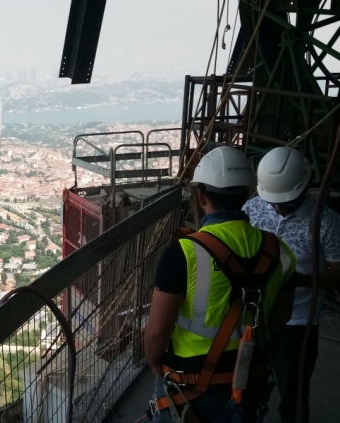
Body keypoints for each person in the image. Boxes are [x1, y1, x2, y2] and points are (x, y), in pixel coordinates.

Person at [144, 146, 297, 423]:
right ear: (248, 194)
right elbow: (281, 316)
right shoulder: (281, 251)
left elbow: (157, 333)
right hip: (249, 378)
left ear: (201, 195)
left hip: (189, 386)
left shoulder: (183, 253)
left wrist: (155, 364)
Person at [243, 147, 340, 423]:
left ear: (304, 187)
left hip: (297, 321)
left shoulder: (326, 223)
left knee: (293, 392)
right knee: (245, 385)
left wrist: (300, 280)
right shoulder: (253, 207)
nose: (277, 207)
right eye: (273, 200)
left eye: (285, 201)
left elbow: (338, 272)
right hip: (256, 313)